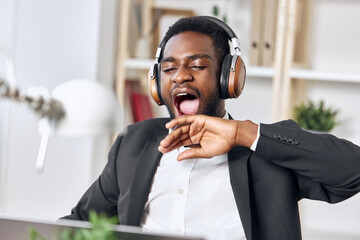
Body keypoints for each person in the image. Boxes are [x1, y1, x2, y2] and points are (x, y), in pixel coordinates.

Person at [62, 16, 360, 240]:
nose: (179, 77)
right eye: (168, 68)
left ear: (228, 78)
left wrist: (243, 134)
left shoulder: (262, 150)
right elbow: (78, 225)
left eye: (197, 65)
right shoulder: (134, 143)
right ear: (157, 83)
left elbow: (352, 171)